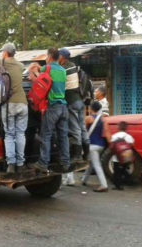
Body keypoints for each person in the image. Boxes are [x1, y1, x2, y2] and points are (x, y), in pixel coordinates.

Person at [0, 43, 28, 173]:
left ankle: (11, 164)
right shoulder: (21, 65)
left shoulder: (0, 62)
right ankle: (20, 164)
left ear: (5, 52)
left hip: (9, 104)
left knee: (9, 134)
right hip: (23, 104)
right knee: (20, 133)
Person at [30, 48, 69, 174]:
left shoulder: (47, 68)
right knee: (63, 136)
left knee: (45, 135)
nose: (46, 58)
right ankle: (65, 162)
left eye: (47, 56)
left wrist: (35, 67)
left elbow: (36, 75)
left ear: (51, 56)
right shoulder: (63, 71)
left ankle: (42, 163)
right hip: (63, 106)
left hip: (52, 106)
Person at [58, 48, 89, 185]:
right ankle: (86, 152)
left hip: (71, 101)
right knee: (82, 127)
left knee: (75, 128)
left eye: (59, 55)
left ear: (62, 57)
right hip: (79, 101)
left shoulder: (63, 68)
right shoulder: (75, 67)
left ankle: (77, 155)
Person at [81, 101, 111, 192]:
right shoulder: (103, 119)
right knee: (91, 163)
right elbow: (106, 133)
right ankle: (84, 180)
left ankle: (103, 185)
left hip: (92, 145)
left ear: (90, 108)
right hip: (101, 145)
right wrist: (111, 144)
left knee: (97, 165)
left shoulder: (88, 118)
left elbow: (83, 132)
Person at [110, 121, 135, 190]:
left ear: (118, 127)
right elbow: (132, 145)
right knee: (123, 170)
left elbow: (111, 147)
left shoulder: (114, 136)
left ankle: (118, 186)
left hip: (116, 157)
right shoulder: (128, 136)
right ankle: (130, 181)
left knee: (117, 172)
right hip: (126, 157)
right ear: (126, 128)